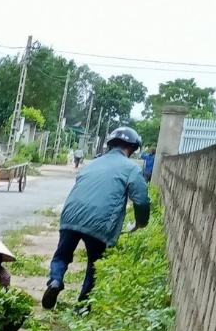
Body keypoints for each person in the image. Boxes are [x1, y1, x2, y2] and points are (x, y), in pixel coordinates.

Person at [43, 126, 151, 310]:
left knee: (62, 254)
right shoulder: (131, 168)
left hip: (71, 216)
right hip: (100, 223)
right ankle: (84, 305)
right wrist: (141, 223)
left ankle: (55, 280)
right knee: (95, 265)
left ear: (110, 144)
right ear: (132, 149)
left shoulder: (92, 164)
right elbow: (141, 201)